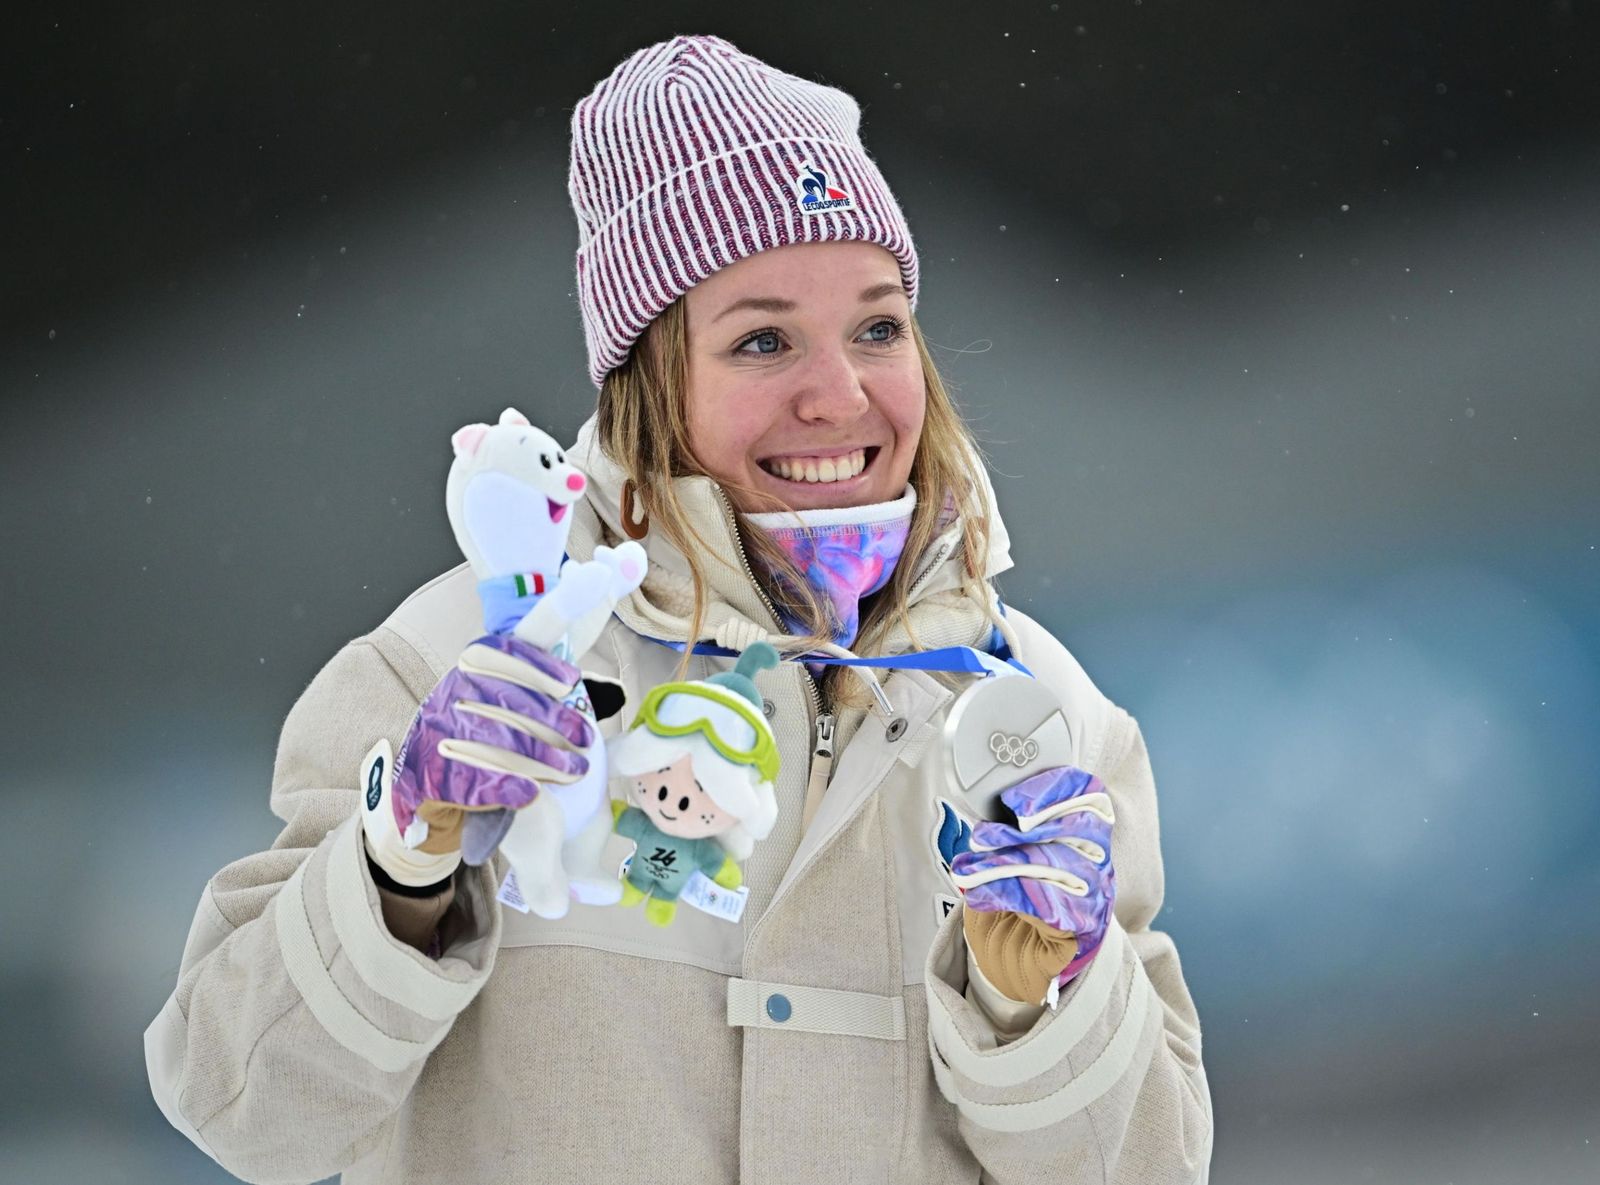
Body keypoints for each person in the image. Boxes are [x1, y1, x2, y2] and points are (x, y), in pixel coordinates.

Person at [145, 34, 1212, 1184]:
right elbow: (245, 1109)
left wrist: (1029, 1002)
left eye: (877, 326)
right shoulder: (464, 664)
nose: (840, 393)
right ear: (654, 381)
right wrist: (397, 874)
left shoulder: (1034, 717)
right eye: (762, 340)